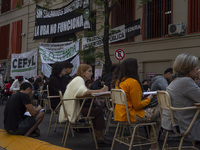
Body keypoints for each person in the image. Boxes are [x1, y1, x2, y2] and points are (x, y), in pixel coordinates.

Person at [59, 64, 111, 147]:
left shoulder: (78, 79)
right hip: (74, 110)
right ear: (83, 73)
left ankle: (99, 137)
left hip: (72, 108)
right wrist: (100, 90)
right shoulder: (79, 79)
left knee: (96, 109)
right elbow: (83, 92)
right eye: (89, 71)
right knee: (98, 111)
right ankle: (100, 138)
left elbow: (82, 93)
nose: (91, 73)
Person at [114, 58, 160, 150]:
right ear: (133, 69)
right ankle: (153, 145)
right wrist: (149, 98)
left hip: (120, 115)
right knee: (160, 111)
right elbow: (137, 105)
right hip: (132, 116)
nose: (139, 69)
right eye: (138, 67)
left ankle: (153, 145)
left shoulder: (119, 81)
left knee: (156, 115)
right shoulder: (133, 82)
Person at [164, 53, 200, 140]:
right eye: (195, 67)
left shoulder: (176, 81)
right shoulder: (186, 82)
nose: (197, 69)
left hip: (175, 123)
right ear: (188, 69)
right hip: (188, 124)